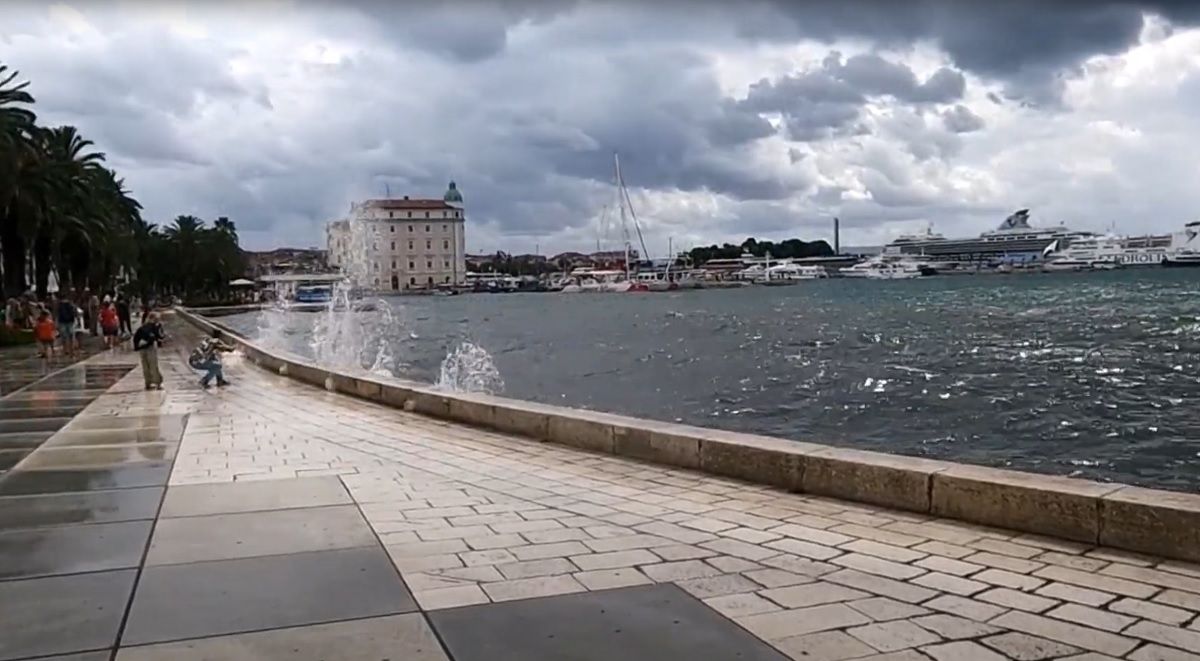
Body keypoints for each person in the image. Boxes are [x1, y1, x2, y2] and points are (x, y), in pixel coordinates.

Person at [133, 312, 166, 390]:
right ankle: (158, 382)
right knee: (153, 365)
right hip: (150, 347)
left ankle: (148, 382)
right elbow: (160, 336)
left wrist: (137, 347)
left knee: (145, 366)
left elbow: (136, 338)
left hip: (142, 348)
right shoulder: (155, 326)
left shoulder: (142, 327)